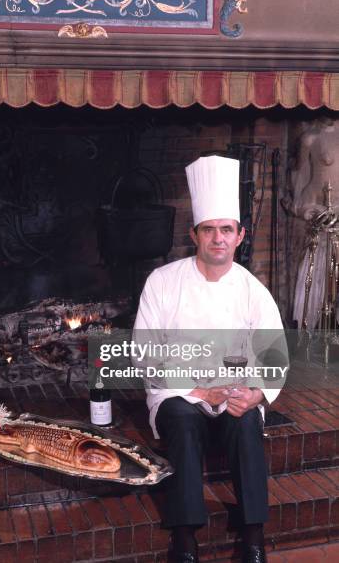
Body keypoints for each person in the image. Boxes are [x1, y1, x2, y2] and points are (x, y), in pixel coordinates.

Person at [133, 155, 286, 563]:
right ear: (194, 234)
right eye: (208, 230)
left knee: (247, 421)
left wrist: (256, 394)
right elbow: (144, 352)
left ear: (240, 235)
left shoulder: (253, 289)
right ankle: (184, 538)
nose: (217, 238)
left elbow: (274, 355)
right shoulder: (162, 282)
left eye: (226, 230)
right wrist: (199, 390)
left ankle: (253, 538)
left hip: (234, 395)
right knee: (182, 418)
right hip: (178, 392)